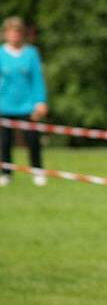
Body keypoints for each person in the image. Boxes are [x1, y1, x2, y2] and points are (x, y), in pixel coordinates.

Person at [0, 16, 48, 187]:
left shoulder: (31, 53)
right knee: (4, 142)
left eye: (18, 32)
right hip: (4, 105)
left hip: (27, 105)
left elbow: (37, 80)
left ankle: (38, 171)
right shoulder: (1, 53)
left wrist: (41, 101)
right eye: (11, 32)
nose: (15, 35)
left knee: (33, 140)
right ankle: (6, 173)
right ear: (5, 34)